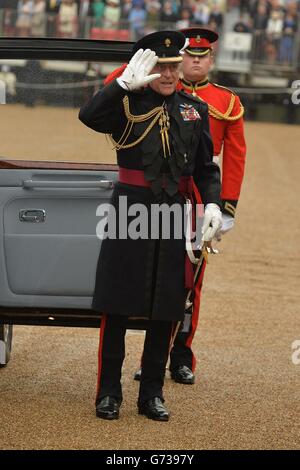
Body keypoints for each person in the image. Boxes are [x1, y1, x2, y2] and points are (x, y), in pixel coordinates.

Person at [79, 30, 222, 421]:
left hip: (174, 213)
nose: (169, 74)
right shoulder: (125, 102)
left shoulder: (195, 110)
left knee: (166, 306)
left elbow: (206, 168)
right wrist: (120, 86)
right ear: (145, 67)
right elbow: (88, 117)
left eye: (173, 67)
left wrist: (213, 204)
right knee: (117, 304)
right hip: (130, 211)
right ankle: (108, 393)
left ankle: (152, 394)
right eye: (161, 66)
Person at [134, 28, 246, 385]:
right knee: (151, 273)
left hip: (201, 195)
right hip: (164, 187)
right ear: (180, 59)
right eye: (190, 54)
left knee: (190, 282)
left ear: (211, 59)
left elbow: (234, 157)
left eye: (203, 55)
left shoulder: (225, 100)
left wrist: (226, 207)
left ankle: (180, 355)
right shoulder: (163, 89)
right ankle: (151, 356)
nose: (196, 60)